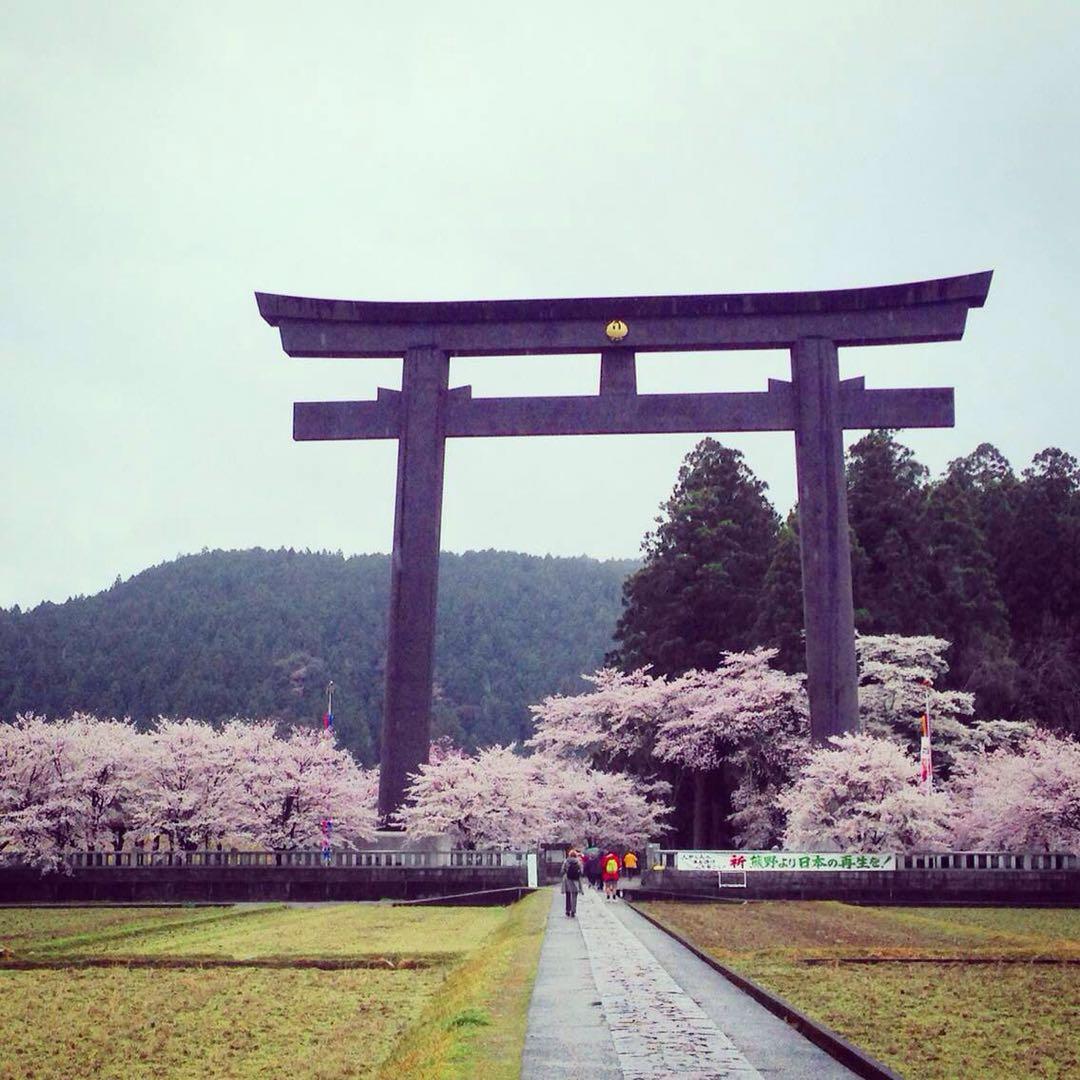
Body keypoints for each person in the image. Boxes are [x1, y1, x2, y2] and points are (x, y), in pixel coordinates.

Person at [561, 848, 584, 917]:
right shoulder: (578, 862)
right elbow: (581, 871)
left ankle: (568, 910)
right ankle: (573, 911)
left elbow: (562, 870)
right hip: (576, 880)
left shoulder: (566, 861)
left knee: (568, 895)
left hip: (567, 879)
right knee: (574, 896)